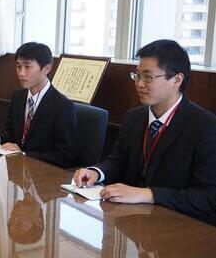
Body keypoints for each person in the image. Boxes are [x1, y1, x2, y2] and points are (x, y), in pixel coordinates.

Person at [73, 39, 216, 225]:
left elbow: (207, 196)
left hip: (176, 227)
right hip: (131, 222)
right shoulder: (134, 117)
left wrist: (149, 194)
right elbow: (118, 161)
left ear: (177, 80)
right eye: (137, 75)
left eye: (148, 77)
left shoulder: (205, 127)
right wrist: (96, 172)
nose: (139, 84)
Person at [0, 42, 77, 168]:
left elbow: (65, 155)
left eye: (27, 67)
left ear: (46, 69)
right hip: (17, 173)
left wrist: (24, 154)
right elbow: (12, 134)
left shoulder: (62, 106)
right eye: (18, 66)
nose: (21, 73)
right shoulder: (18, 97)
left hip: (43, 175)